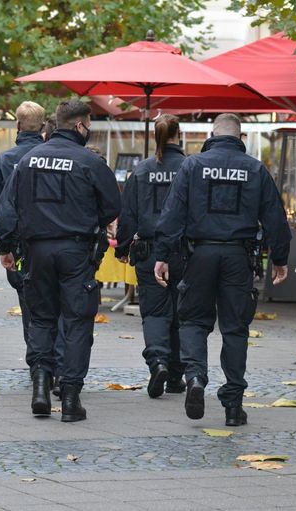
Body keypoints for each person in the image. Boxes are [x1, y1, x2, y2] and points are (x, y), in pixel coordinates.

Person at [154, 113, 290, 426]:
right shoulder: (255, 168)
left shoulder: (192, 165)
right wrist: (279, 258)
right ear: (240, 137)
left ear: (212, 133)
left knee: (192, 320)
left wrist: (162, 254)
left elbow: (173, 213)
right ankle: (233, 404)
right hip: (238, 258)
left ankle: (196, 379)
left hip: (198, 254)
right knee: (235, 328)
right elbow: (274, 218)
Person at [0, 99, 120, 422]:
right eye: (88, 125)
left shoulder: (27, 160)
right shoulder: (89, 162)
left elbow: (8, 207)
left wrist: (5, 247)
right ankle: (70, 397)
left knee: (41, 318)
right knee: (77, 320)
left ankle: (40, 384)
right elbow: (111, 208)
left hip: (36, 251)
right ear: (79, 126)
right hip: (77, 252)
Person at [115, 114, 188, 398]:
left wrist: (122, 248)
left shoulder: (142, 171)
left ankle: (157, 362)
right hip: (183, 252)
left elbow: (128, 213)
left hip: (148, 251)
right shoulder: (189, 168)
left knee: (155, 313)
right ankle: (176, 373)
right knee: (182, 313)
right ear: (177, 134)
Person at [0, 101, 46, 348]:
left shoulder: (5, 160)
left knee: (27, 299)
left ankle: (37, 360)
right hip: (52, 238)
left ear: (17, 125)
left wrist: (2, 241)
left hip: (19, 242)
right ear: (42, 126)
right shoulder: (50, 156)